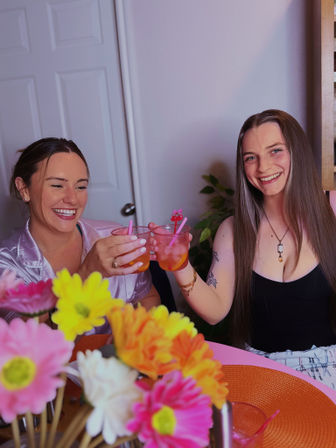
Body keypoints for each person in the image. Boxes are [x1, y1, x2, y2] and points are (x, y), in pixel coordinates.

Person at [166, 109, 336, 390]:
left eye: (275, 151)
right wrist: (180, 264)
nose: (263, 167)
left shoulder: (331, 209)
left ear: (297, 152)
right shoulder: (233, 230)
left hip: (329, 370)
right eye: (250, 158)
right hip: (260, 372)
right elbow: (215, 311)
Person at [0, 137, 160, 324]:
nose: (73, 199)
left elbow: (148, 298)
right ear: (24, 189)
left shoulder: (114, 236)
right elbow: (26, 338)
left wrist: (137, 338)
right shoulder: (7, 265)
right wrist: (87, 273)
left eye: (81, 186)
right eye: (57, 185)